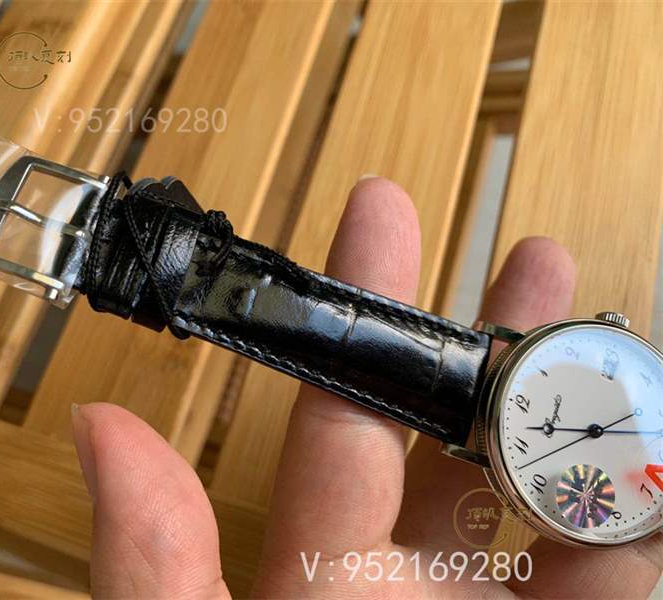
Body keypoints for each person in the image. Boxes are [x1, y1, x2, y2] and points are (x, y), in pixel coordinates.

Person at [70, 177, 662, 598]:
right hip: (487, 388)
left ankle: (155, 258)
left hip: (486, 418)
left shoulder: (626, 501)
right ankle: (150, 254)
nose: (603, 428)